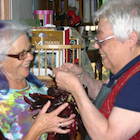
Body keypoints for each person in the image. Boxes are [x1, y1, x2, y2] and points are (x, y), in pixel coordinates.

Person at [53, 0, 140, 139]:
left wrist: (76, 89)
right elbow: (106, 94)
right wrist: (82, 78)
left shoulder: (137, 80)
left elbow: (108, 137)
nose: (96, 45)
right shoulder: (127, 69)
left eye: (102, 39)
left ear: (131, 38)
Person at [0, 20, 75, 140]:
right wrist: (38, 129)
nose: (30, 57)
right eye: (22, 54)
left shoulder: (39, 88)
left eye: (30, 50)